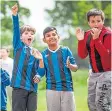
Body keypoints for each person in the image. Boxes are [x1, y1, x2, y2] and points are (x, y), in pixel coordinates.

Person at [34, 27, 78, 111]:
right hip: (51, 89)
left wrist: (70, 65)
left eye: (54, 34)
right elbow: (41, 71)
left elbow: (75, 68)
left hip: (67, 88)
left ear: (58, 37)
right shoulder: (43, 54)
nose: (51, 37)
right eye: (48, 35)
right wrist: (38, 76)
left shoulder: (66, 50)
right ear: (44, 40)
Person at [75, 8, 111, 111]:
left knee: (102, 104)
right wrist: (81, 40)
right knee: (92, 104)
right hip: (93, 74)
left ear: (103, 21)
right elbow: (82, 55)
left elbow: (106, 56)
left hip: (107, 73)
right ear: (89, 23)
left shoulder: (108, 35)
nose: (96, 24)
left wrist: (96, 39)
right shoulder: (87, 35)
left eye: (99, 21)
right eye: (93, 21)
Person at [11, 4, 44, 111]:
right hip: (19, 87)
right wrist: (15, 15)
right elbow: (16, 30)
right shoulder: (18, 47)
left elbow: (41, 70)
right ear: (21, 37)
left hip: (33, 89)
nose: (30, 35)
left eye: (31, 33)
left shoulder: (36, 52)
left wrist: (39, 74)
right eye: (26, 33)